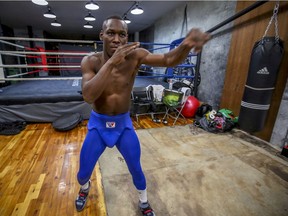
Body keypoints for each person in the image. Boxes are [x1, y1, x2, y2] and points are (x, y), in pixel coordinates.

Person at [75, 15, 210, 216]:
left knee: (136, 169)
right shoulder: (90, 61)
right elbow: (88, 95)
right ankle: (85, 189)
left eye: (122, 34)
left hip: (123, 125)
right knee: (83, 173)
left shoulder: (135, 56)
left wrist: (186, 45)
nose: (116, 39)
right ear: (101, 34)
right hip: (98, 125)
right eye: (111, 33)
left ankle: (144, 203)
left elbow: (168, 59)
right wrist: (111, 62)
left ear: (127, 37)